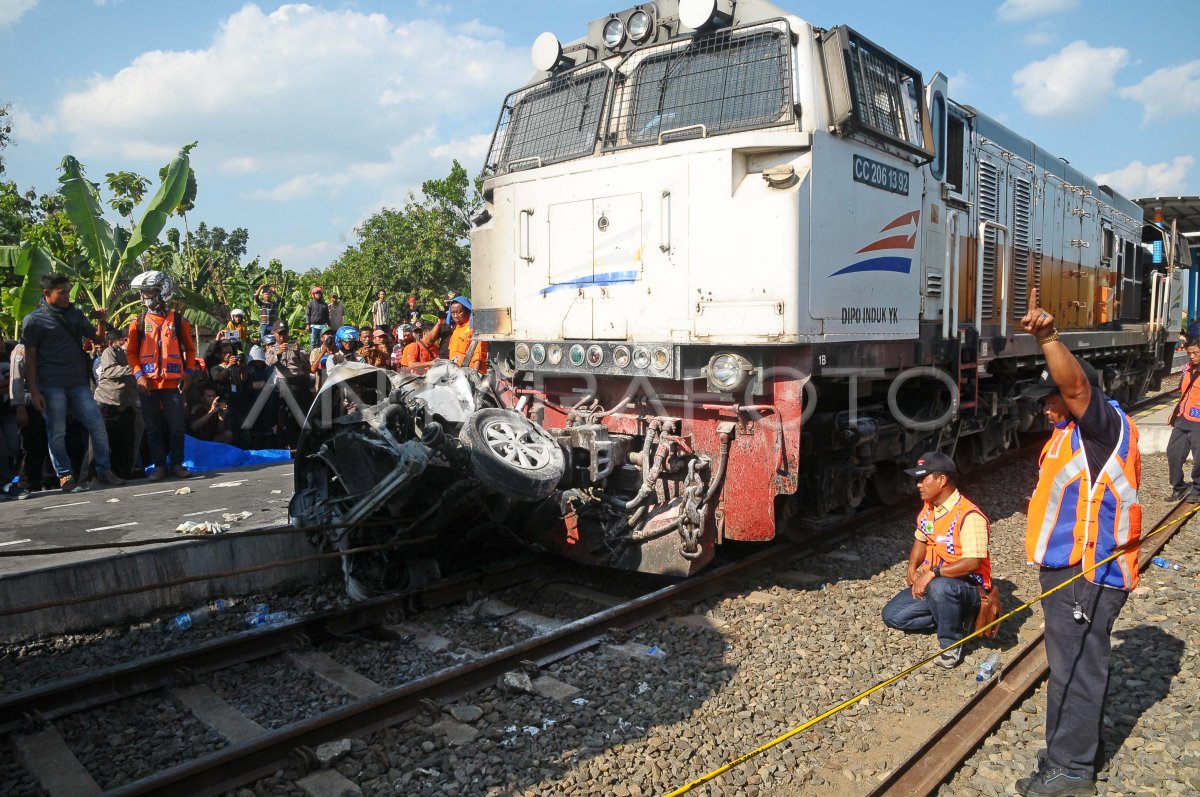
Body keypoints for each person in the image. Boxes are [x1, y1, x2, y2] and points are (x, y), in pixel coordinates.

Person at [1015, 288, 1141, 797]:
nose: (1044, 410)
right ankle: (1064, 754)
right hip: (1070, 572)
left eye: (1048, 400)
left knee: (1078, 668)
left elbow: (1079, 391)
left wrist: (1048, 337)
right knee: (1067, 664)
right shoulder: (1069, 437)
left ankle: (1072, 771)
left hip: (1089, 574)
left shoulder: (1100, 428)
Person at [881, 451, 991, 668]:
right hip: (939, 583)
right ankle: (951, 618)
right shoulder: (928, 510)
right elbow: (920, 540)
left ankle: (951, 643)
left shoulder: (969, 516)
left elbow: (972, 563)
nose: (918, 485)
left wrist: (932, 573)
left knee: (941, 588)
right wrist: (912, 568)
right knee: (893, 616)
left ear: (942, 480)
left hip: (969, 587)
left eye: (923, 478)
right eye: (917, 479)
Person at [19, 272, 124, 491]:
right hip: (50, 384)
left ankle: (104, 471)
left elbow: (97, 339)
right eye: (62, 292)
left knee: (98, 426)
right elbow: (30, 359)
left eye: (68, 290)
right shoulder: (34, 320)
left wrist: (102, 323)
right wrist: (34, 391)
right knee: (57, 432)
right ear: (47, 294)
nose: (67, 295)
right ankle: (65, 475)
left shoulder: (75, 314)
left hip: (78, 384)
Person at [127, 270, 196, 481]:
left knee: (176, 427)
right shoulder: (137, 322)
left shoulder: (178, 321)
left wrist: (189, 373)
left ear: (162, 291)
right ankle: (159, 466)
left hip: (172, 384)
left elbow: (191, 350)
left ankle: (177, 464)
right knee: (152, 427)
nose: (145, 296)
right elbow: (131, 353)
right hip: (147, 384)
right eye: (143, 292)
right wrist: (138, 376)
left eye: (148, 291)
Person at [94, 328, 141, 480]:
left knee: (126, 442)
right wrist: (134, 368)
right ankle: (92, 478)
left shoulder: (138, 355)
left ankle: (124, 473)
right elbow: (108, 371)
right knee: (102, 444)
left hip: (126, 405)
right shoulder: (111, 352)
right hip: (108, 404)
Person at [8, 342, 48, 493]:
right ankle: (25, 481)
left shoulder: (47, 344)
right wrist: (20, 406)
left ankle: (39, 480)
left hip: (46, 400)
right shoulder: (22, 349)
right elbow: (16, 379)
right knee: (31, 444)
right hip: (28, 402)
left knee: (43, 442)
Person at [1166, 337, 1200, 501]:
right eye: (1189, 353)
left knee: (1199, 457)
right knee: (1173, 453)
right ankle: (1178, 486)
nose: (1192, 356)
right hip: (1182, 418)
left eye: (1195, 353)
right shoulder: (1187, 369)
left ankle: (1197, 490)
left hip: (1198, 422)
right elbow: (1183, 392)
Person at [426, 295, 487, 374]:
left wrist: (474, 374)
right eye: (453, 313)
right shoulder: (456, 329)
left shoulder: (475, 328)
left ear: (467, 311)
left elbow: (478, 353)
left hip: (470, 373)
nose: (455, 316)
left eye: (459, 312)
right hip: (456, 373)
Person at [305, 286, 331, 350]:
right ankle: (312, 355)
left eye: (319, 293)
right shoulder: (310, 304)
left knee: (321, 342)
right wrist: (308, 324)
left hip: (322, 326)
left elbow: (327, 316)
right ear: (313, 295)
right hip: (314, 326)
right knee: (313, 341)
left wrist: (329, 325)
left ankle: (320, 355)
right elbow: (307, 314)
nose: (318, 295)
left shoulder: (324, 305)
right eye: (316, 294)